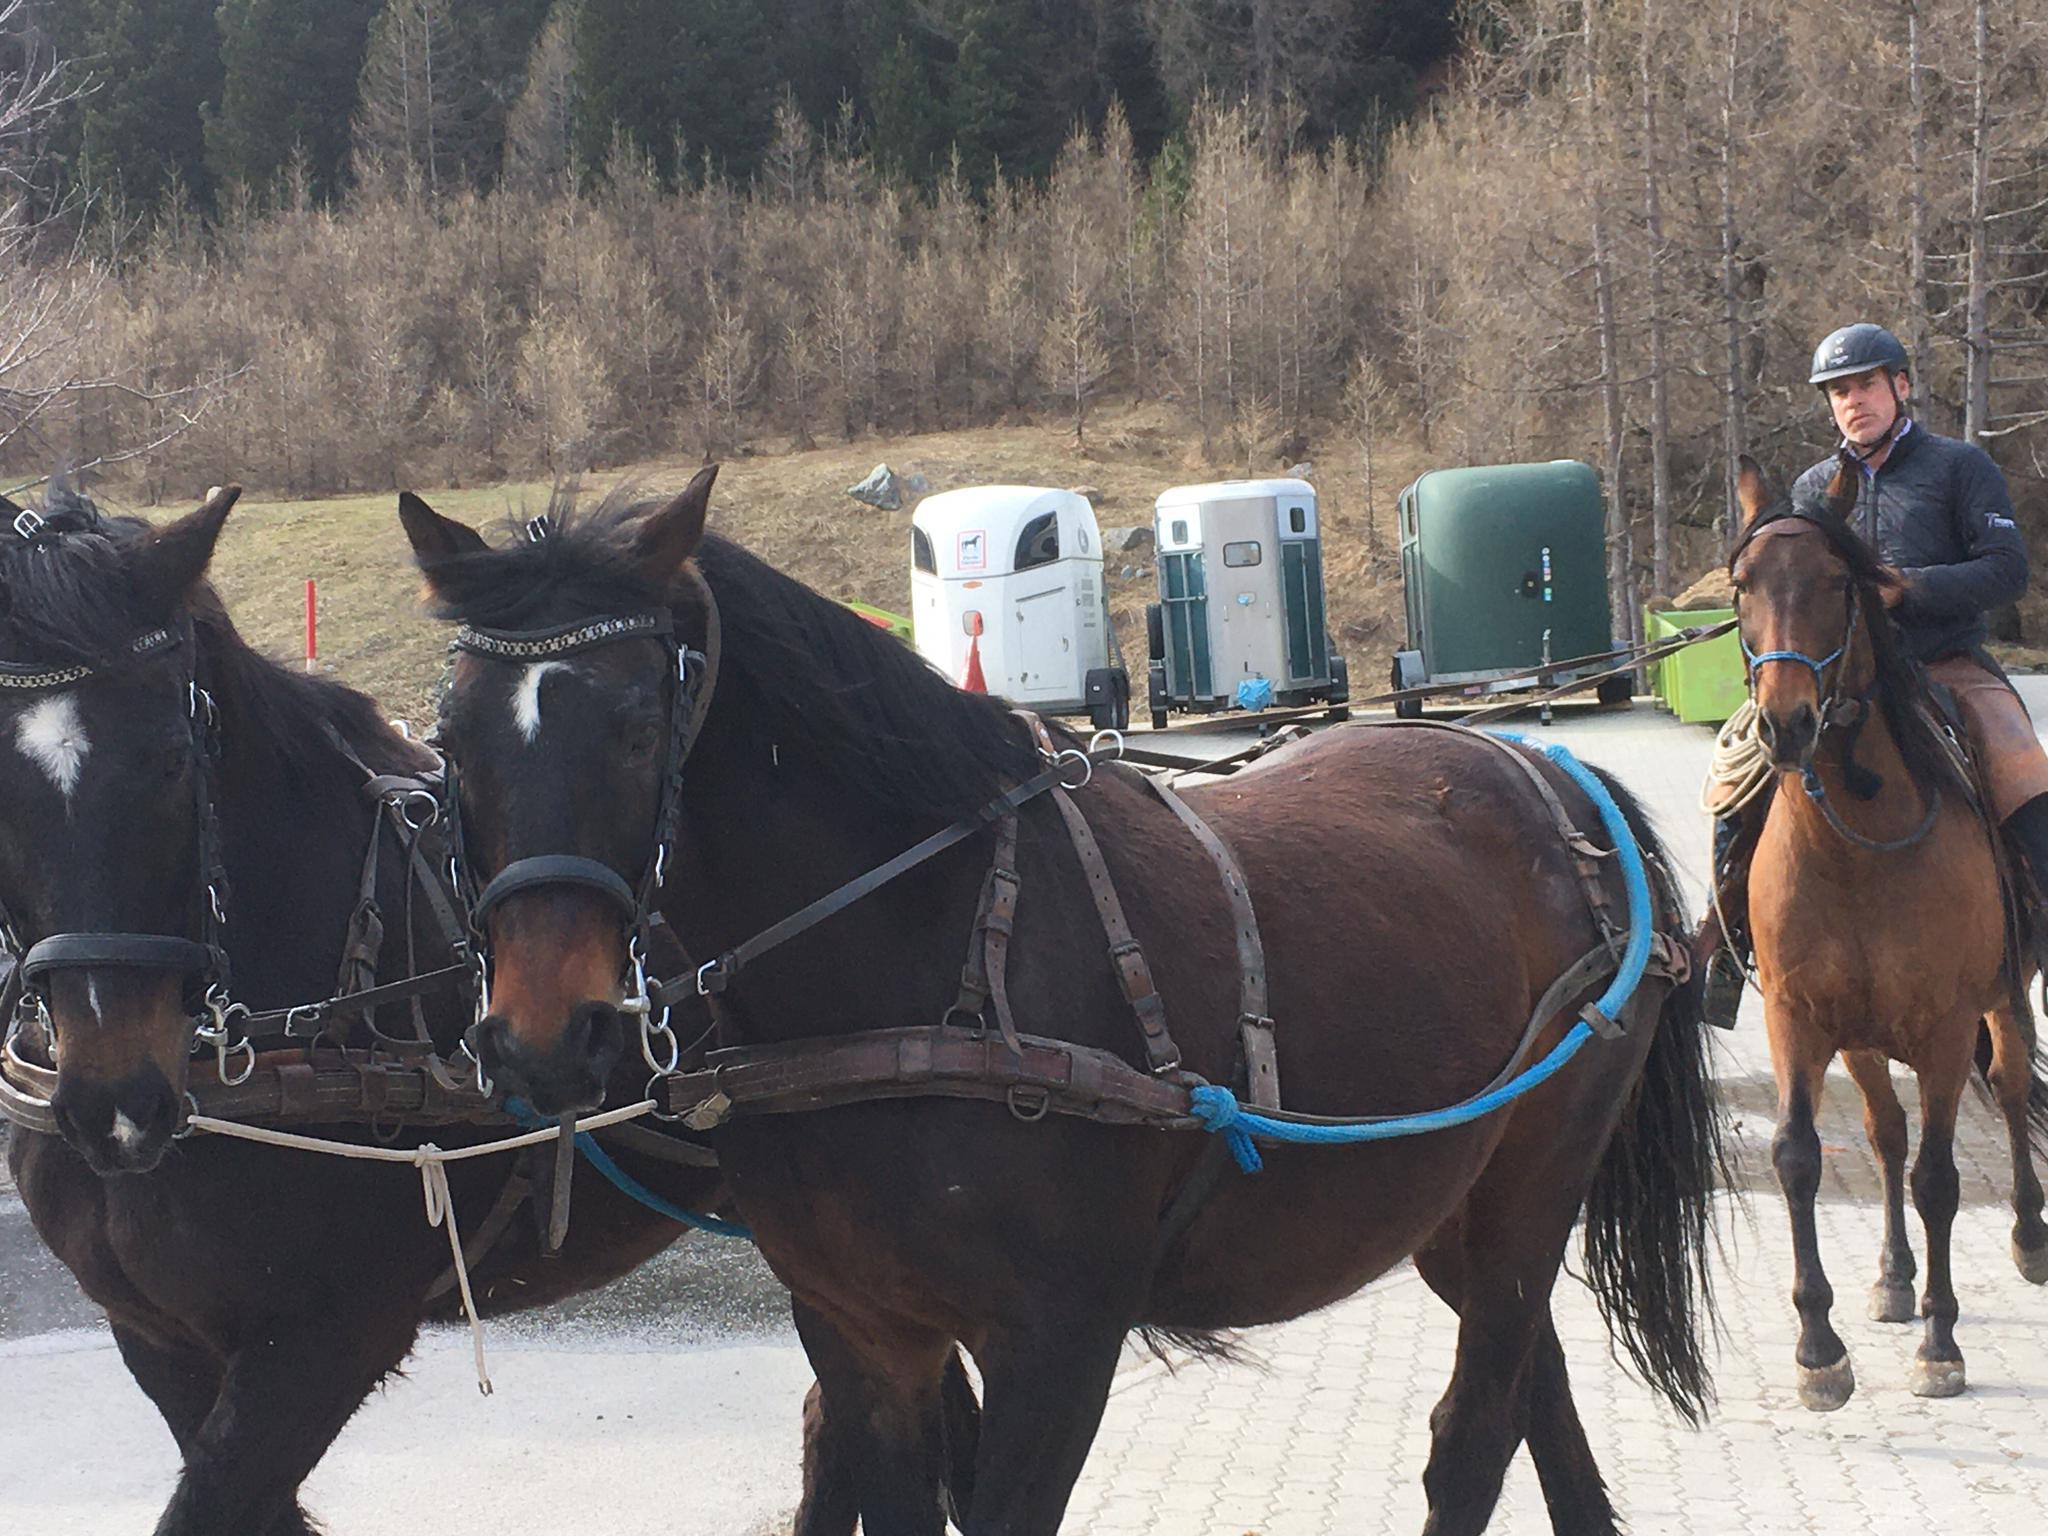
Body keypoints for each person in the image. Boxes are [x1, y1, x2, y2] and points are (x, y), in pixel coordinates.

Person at [1699, 321, 2048, 1028]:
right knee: (1735, 769)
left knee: (2023, 768)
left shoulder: (1959, 468)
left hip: (1946, 663)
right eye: (1838, 392)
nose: (1852, 402)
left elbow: (2007, 571)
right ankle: (1726, 943)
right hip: (1836, 676)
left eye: (1864, 385)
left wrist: (1909, 588)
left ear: (1901, 386)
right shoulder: (1811, 488)